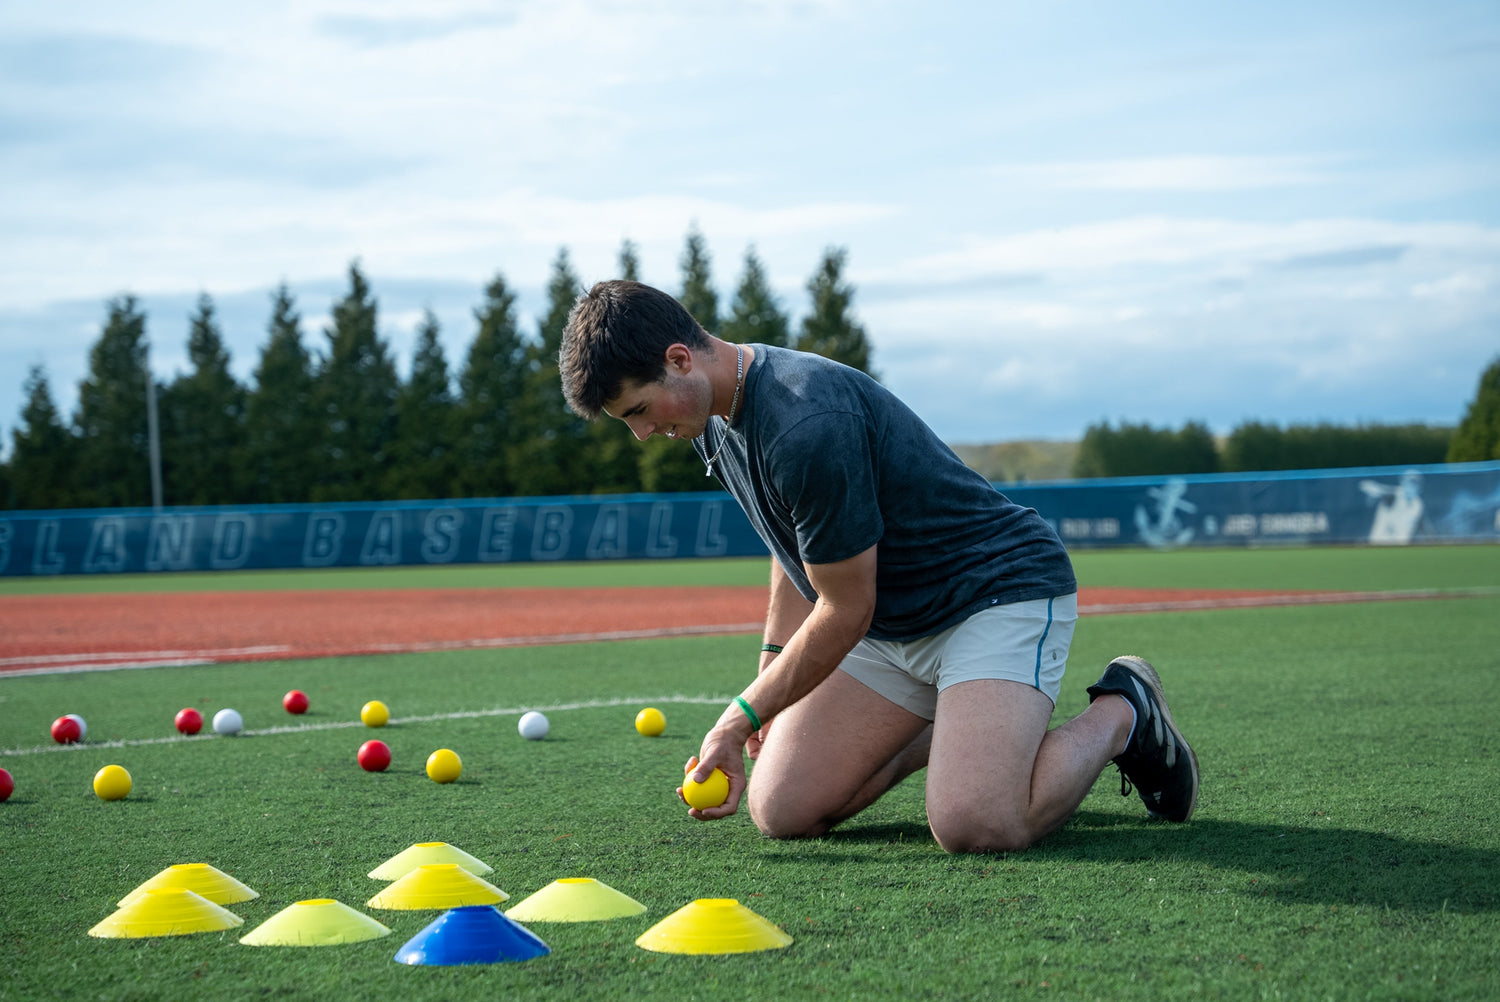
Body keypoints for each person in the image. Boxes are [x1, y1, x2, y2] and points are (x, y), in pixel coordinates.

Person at [559, 280, 1198, 852]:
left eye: (638, 411)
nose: (642, 433)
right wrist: (774, 672)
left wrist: (740, 716)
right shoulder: (714, 415)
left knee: (976, 824)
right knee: (782, 809)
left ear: (679, 360)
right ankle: (971, 722)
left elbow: (845, 608)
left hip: (991, 593)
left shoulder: (804, 419)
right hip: (890, 627)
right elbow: (796, 543)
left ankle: (1123, 713)